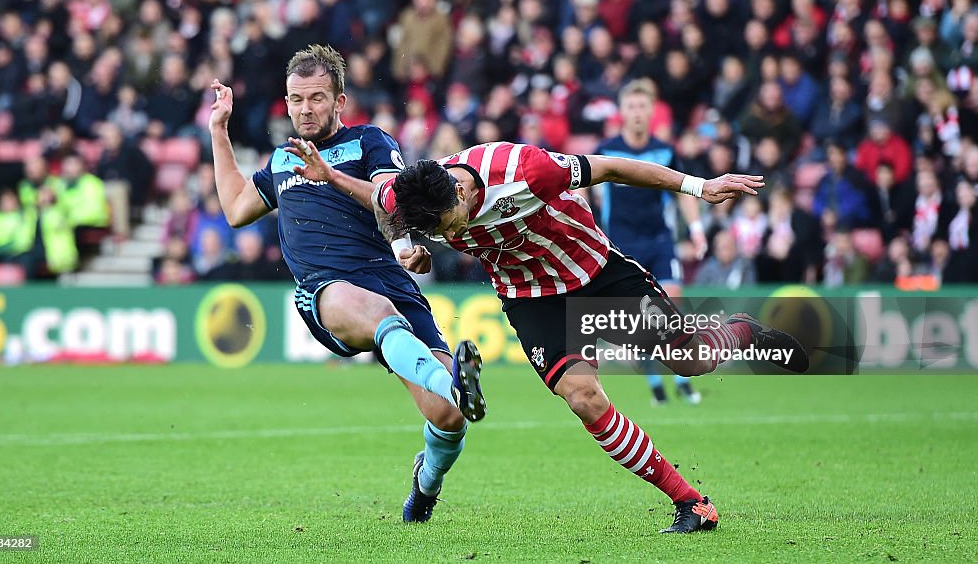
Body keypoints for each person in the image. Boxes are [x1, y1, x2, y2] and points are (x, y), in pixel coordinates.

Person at [346, 141, 810, 535]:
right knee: (584, 397)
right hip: (531, 297)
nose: (454, 234)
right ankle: (691, 502)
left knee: (692, 362)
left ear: (461, 189)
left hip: (595, 273)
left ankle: (744, 331)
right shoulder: (405, 194)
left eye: (452, 222)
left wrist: (698, 186)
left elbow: (609, 167)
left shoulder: (525, 170)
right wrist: (409, 251)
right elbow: (383, 209)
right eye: (443, 232)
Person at [206, 44, 484, 523]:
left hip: (391, 283)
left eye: (316, 98)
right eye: (296, 99)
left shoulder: (368, 141)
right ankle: (455, 384)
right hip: (326, 288)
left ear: (339, 101)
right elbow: (234, 209)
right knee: (381, 318)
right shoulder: (280, 161)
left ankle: (424, 486)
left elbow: (390, 198)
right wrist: (218, 130)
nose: (305, 109)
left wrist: (397, 243)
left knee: (447, 419)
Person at [594, 80, 705, 406]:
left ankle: (682, 378)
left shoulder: (666, 151)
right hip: (623, 243)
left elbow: (683, 191)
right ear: (622, 112)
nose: (638, 113)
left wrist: (696, 228)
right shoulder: (606, 150)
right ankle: (656, 383)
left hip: (660, 239)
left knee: (673, 306)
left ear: (652, 111)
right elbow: (585, 190)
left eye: (643, 107)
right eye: (632, 106)